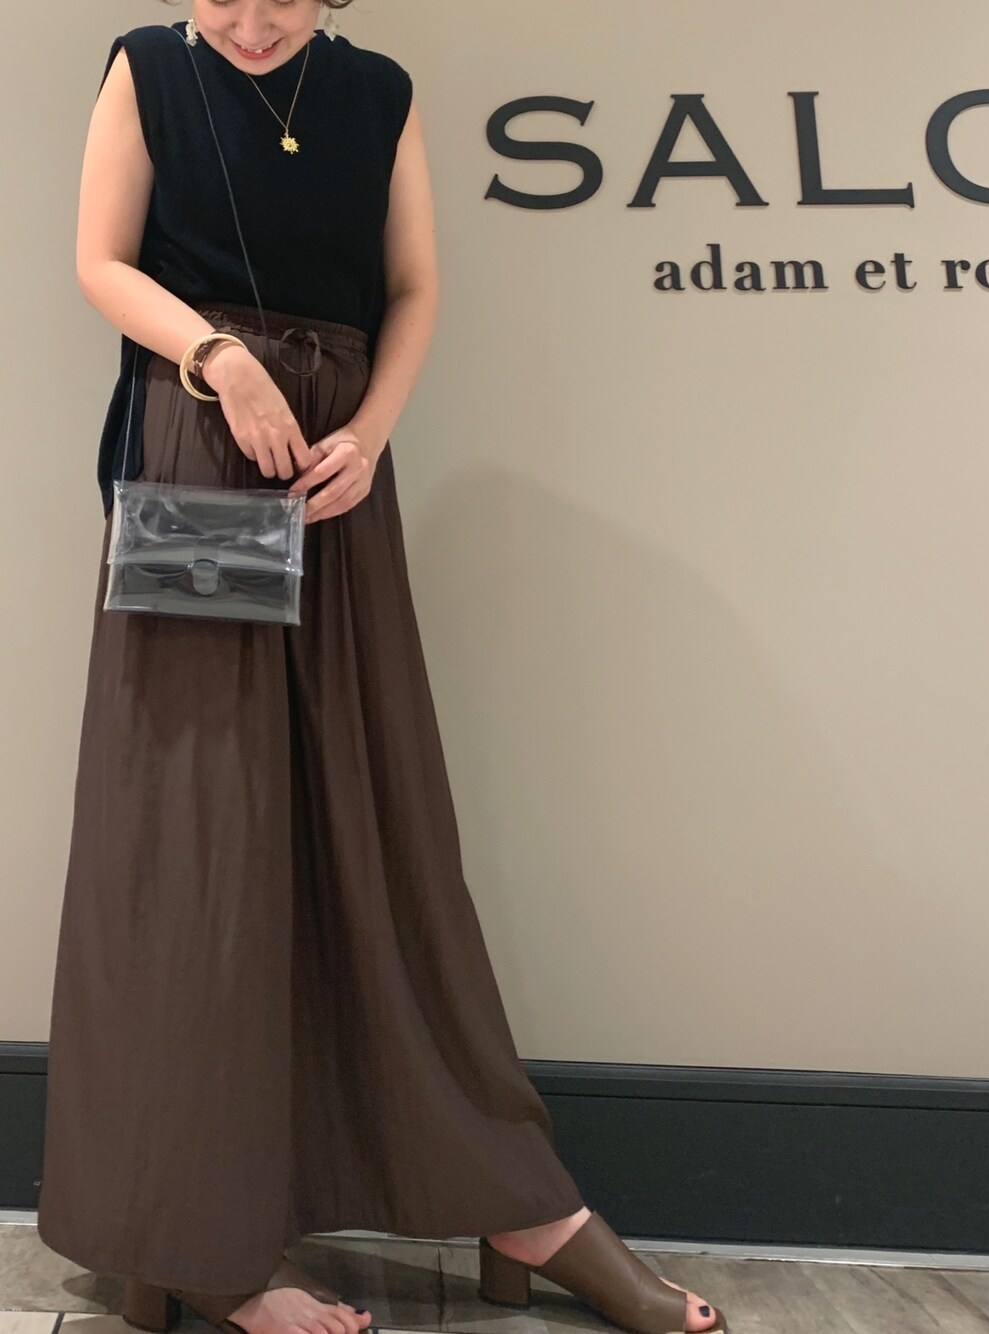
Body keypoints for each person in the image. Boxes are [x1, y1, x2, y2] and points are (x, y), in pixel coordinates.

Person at [36, 5, 728, 1334]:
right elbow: (99, 259)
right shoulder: (150, 66)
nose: (252, 21)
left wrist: (373, 429)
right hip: (196, 461)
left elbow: (410, 288)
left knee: (375, 814)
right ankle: (196, 1242)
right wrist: (218, 360)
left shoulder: (378, 92)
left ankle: (516, 1202)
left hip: (336, 475)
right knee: (198, 829)